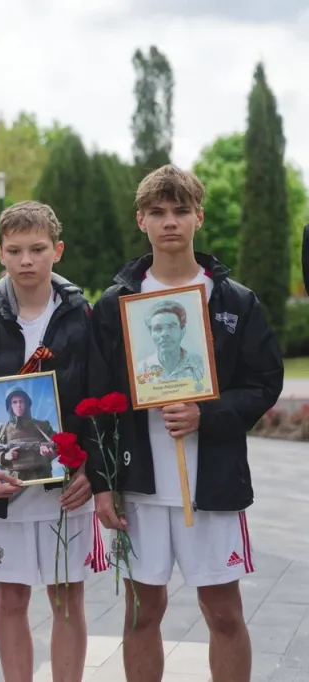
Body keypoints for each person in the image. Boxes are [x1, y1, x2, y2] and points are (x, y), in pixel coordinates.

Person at [89, 165, 283, 682]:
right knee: (141, 613)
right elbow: (96, 399)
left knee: (223, 614)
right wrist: (103, 485)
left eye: (180, 210)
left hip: (211, 482)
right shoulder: (115, 304)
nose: (169, 221)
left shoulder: (234, 300)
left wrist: (206, 414)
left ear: (199, 216)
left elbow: (265, 382)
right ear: (141, 221)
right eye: (157, 212)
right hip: (140, 486)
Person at [0, 201, 105, 682]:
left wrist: (91, 469)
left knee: (66, 598)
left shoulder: (84, 318)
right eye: (15, 250)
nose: (26, 260)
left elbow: (98, 398)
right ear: (0, 254)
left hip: (66, 486)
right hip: (3, 486)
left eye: (38, 249)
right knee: (9, 598)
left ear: (57, 251)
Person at [0, 386, 57, 482]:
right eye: (14, 402)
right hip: (14, 481)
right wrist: (5, 456)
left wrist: (49, 454)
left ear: (26, 404)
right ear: (10, 405)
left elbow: (59, 446)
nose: (18, 405)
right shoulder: (1, 431)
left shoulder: (43, 426)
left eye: (21, 401)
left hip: (42, 479)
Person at [134, 300, 206, 384]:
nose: (165, 334)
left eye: (171, 326)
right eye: (158, 328)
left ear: (182, 331)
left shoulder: (202, 366)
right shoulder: (140, 370)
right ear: (151, 333)